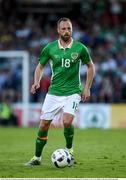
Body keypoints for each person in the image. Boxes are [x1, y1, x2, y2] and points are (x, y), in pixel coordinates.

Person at [25, 17, 95, 166]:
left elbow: (90, 66)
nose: (66, 31)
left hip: (73, 91)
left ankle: (69, 150)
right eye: (63, 29)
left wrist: (87, 87)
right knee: (44, 125)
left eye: (69, 28)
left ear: (72, 30)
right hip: (54, 92)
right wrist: (36, 81)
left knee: (67, 121)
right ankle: (36, 158)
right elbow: (40, 67)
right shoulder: (50, 48)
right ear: (58, 30)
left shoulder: (80, 48)